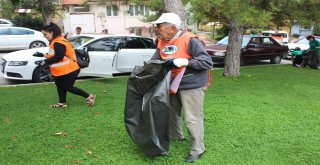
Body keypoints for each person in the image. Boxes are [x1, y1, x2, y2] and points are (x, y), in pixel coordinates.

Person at [150, 13, 213, 163]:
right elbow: (156, 60)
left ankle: (198, 149)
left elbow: (207, 62)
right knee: (172, 113)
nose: (156, 29)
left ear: (172, 28)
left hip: (192, 84)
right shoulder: (162, 41)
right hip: (171, 84)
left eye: (159, 26)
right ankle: (176, 136)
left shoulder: (190, 39)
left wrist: (185, 62)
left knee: (192, 118)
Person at [40, 22, 96, 108]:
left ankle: (89, 96)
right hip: (61, 70)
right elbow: (54, 54)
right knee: (59, 85)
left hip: (70, 69)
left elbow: (59, 56)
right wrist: (45, 55)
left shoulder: (58, 42)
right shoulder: (55, 41)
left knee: (68, 87)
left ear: (52, 32)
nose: (44, 36)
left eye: (45, 34)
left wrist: (46, 61)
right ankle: (62, 103)